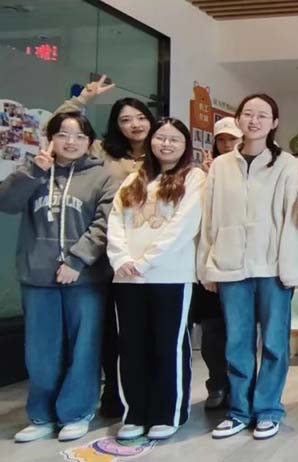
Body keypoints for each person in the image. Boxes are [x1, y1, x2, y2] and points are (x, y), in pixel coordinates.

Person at [2, 112, 117, 442]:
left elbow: (104, 224)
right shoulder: (34, 170)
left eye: (79, 136)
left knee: (83, 347)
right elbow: (7, 203)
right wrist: (33, 171)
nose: (71, 142)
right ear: (50, 138)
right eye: (63, 134)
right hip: (38, 276)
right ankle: (41, 415)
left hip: (85, 278)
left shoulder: (103, 176)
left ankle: (76, 412)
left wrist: (77, 260)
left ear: (89, 142)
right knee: (41, 351)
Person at [198, 94, 298, 440]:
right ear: (238, 120)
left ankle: (268, 409)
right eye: (248, 114)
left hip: (272, 267)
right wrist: (207, 266)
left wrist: (291, 268)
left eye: (262, 115)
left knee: (274, 344)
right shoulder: (221, 165)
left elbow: (293, 219)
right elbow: (209, 218)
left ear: (274, 123)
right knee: (237, 343)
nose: (254, 121)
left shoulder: (287, 164)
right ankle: (239, 411)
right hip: (230, 266)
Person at [54, 75, 157, 418]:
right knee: (111, 332)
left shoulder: (162, 152)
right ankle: (113, 391)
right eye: (125, 119)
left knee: (151, 329)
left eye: (140, 117)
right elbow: (56, 131)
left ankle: (150, 392)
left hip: (153, 254)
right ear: (116, 125)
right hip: (109, 255)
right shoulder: (101, 152)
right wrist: (82, 99)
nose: (135, 124)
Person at [107, 118, 205, 441]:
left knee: (168, 345)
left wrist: (147, 261)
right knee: (131, 347)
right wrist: (121, 259)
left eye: (174, 139)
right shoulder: (134, 179)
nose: (166, 143)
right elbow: (116, 222)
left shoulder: (194, 178)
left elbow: (183, 226)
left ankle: (168, 413)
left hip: (170, 277)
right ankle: (135, 413)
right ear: (151, 141)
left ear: (185, 145)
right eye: (161, 137)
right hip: (128, 278)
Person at [192, 117, 242, 410]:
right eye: (221, 140)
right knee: (213, 330)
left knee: (239, 331)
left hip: (239, 265)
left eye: (231, 139)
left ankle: (240, 388)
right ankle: (217, 384)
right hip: (209, 262)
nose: (226, 145)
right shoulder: (201, 174)